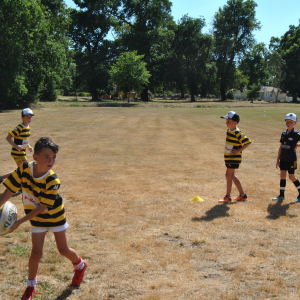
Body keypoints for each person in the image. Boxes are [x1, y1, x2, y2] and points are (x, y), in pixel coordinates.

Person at [0, 137, 87, 300]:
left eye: (53, 157)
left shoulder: (52, 180)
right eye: (46, 156)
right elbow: (10, 190)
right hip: (36, 219)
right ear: (35, 157)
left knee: (63, 250)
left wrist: (19, 222)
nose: (51, 160)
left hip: (54, 216)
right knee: (36, 253)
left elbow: (41, 208)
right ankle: (30, 286)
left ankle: (80, 266)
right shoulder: (23, 169)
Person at [218, 111, 252, 203]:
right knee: (232, 176)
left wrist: (238, 151)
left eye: (228, 121)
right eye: (226, 120)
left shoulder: (237, 132)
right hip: (229, 157)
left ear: (235, 123)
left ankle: (228, 197)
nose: (226, 122)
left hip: (234, 158)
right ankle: (242, 195)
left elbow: (248, 142)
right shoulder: (229, 130)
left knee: (228, 175)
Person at [272, 113, 300, 202]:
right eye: (287, 121)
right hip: (283, 159)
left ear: (295, 123)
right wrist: (277, 160)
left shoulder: (296, 134)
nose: (288, 123)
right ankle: (281, 195)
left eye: (291, 122)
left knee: (291, 177)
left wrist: (297, 146)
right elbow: (281, 147)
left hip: (291, 159)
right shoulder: (283, 134)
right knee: (282, 176)